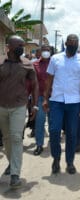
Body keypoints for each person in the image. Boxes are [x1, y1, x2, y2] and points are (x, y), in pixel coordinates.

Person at [43, 34, 80, 174]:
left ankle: (70, 162)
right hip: (56, 100)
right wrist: (45, 98)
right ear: (66, 43)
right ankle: (56, 158)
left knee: (72, 133)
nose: (73, 45)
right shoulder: (55, 58)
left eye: (76, 43)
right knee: (54, 130)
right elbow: (49, 80)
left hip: (74, 102)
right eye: (71, 43)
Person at [0, 35, 38, 188]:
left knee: (16, 137)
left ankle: (15, 174)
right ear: (9, 47)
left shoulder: (27, 64)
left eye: (22, 45)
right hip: (1, 107)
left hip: (19, 106)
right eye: (18, 45)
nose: (21, 48)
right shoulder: (0, 62)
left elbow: (35, 85)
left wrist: (34, 105)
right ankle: (11, 163)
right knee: (7, 139)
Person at [33, 45, 51, 155]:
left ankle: (53, 142)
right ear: (40, 52)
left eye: (48, 50)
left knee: (53, 122)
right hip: (40, 96)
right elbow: (32, 83)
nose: (46, 52)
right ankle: (39, 144)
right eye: (44, 50)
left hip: (54, 97)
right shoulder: (35, 64)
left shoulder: (55, 63)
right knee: (40, 121)